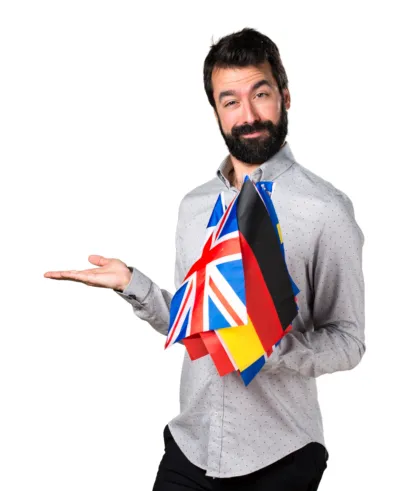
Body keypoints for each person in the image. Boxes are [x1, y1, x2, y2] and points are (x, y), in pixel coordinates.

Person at [44, 27, 365, 490]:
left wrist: (274, 351)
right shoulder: (194, 207)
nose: (249, 114)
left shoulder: (325, 211)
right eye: (231, 100)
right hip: (191, 445)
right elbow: (195, 321)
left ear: (286, 96)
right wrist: (132, 283)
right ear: (216, 110)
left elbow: (349, 340)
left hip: (281, 454)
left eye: (261, 93)